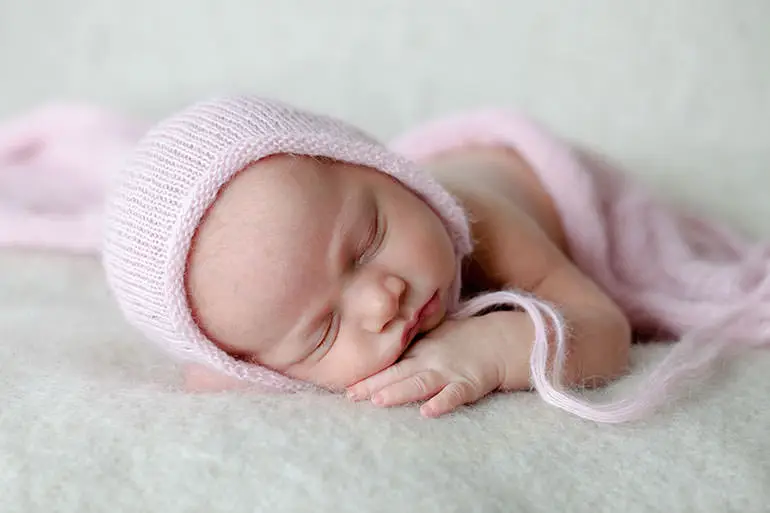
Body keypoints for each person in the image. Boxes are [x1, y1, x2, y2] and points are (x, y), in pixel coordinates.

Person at [103, 95, 768, 423]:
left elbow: (603, 327)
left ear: (380, 168)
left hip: (545, 184)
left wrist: (498, 346)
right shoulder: (262, 310)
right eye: (322, 331)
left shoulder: (492, 227)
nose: (380, 298)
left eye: (368, 240)